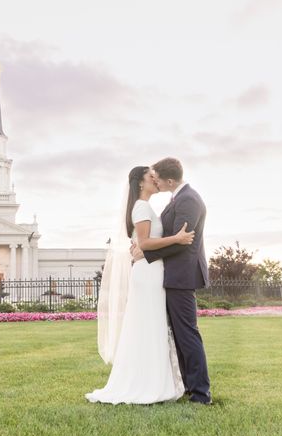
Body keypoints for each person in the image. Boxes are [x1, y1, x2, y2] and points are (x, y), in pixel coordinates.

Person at [86, 166, 194, 404]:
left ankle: (152, 379)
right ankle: (148, 383)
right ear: (140, 184)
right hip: (148, 275)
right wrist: (176, 239)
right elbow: (144, 242)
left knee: (150, 325)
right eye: (150, 177)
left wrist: (145, 249)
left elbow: (141, 244)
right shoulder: (142, 207)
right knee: (150, 324)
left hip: (151, 270)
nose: (155, 180)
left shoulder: (145, 207)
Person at [131, 157, 212, 405]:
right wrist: (142, 245)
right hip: (173, 275)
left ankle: (200, 393)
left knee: (187, 334)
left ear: (168, 180)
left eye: (157, 178)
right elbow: (171, 236)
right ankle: (190, 386)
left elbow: (181, 242)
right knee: (179, 335)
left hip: (182, 275)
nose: (155, 182)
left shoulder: (188, 199)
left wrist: (146, 252)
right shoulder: (178, 198)